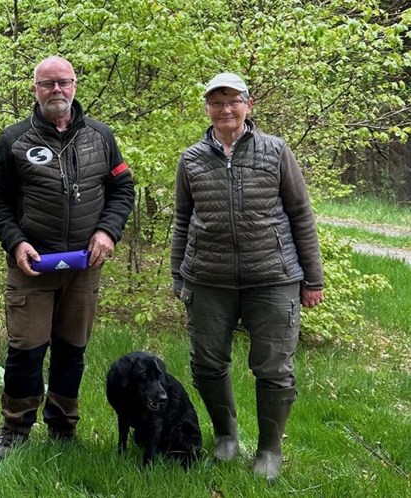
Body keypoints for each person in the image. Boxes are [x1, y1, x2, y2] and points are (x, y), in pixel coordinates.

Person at [171, 72, 324, 480]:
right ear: (207, 108)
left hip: (273, 277)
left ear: (248, 105)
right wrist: (178, 277)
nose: (225, 109)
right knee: (206, 363)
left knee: (274, 367)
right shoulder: (190, 159)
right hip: (208, 279)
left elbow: (300, 214)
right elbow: (183, 220)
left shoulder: (276, 151)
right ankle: (226, 438)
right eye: (216, 102)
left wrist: (314, 279)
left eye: (233, 100)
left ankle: (270, 452)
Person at [0, 56, 135, 459]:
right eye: (47, 84)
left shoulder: (101, 137)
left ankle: (64, 427)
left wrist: (107, 231)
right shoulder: (14, 139)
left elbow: (123, 190)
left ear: (75, 85)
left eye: (63, 83)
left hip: (85, 266)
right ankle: (14, 429)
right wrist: (14, 242)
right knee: (27, 349)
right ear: (35, 89)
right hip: (32, 265)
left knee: (72, 349)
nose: (56, 91)